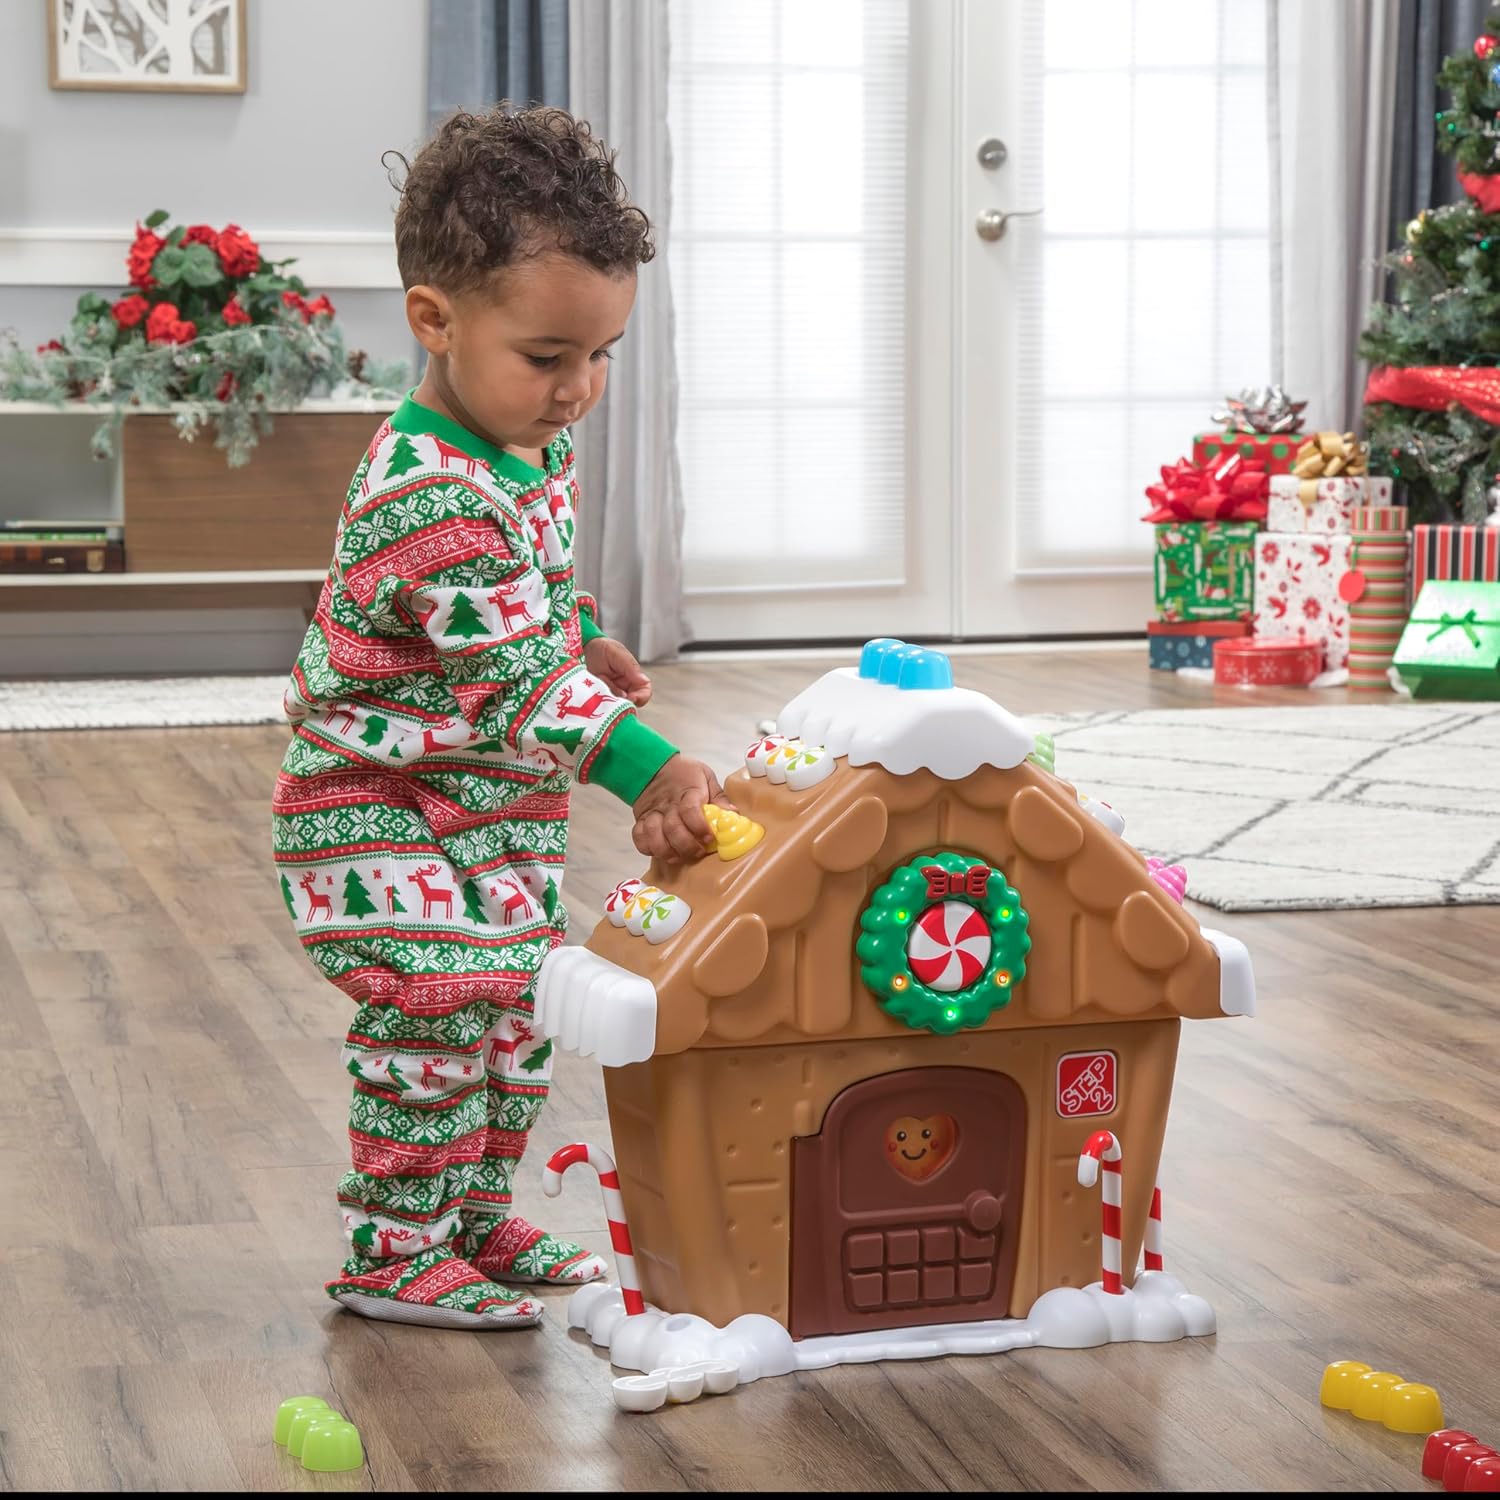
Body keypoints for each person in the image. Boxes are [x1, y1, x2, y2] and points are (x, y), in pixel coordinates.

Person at [270, 105, 728, 1329]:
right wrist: (647, 768)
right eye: (546, 357)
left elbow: (524, 607)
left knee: (517, 1003)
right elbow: (516, 677)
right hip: (375, 809)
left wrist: (582, 633)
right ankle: (391, 1245)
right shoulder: (427, 495)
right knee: (434, 996)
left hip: (485, 807)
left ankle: (468, 1217)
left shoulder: (523, 450)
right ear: (435, 319)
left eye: (602, 355)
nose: (578, 389)